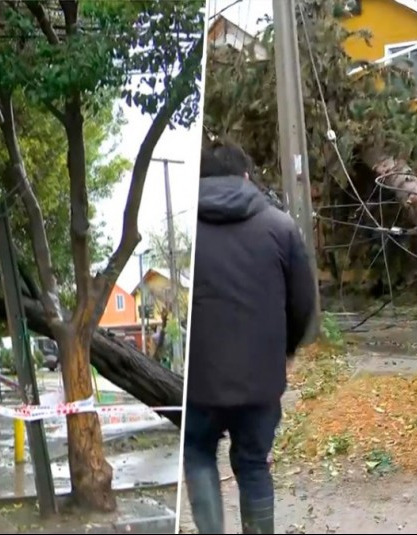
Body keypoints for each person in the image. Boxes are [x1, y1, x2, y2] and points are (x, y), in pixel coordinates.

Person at [184, 141, 317, 534]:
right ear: (245, 177)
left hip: (199, 385)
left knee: (196, 453)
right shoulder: (280, 226)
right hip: (260, 382)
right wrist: (286, 350)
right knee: (254, 463)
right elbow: (303, 304)